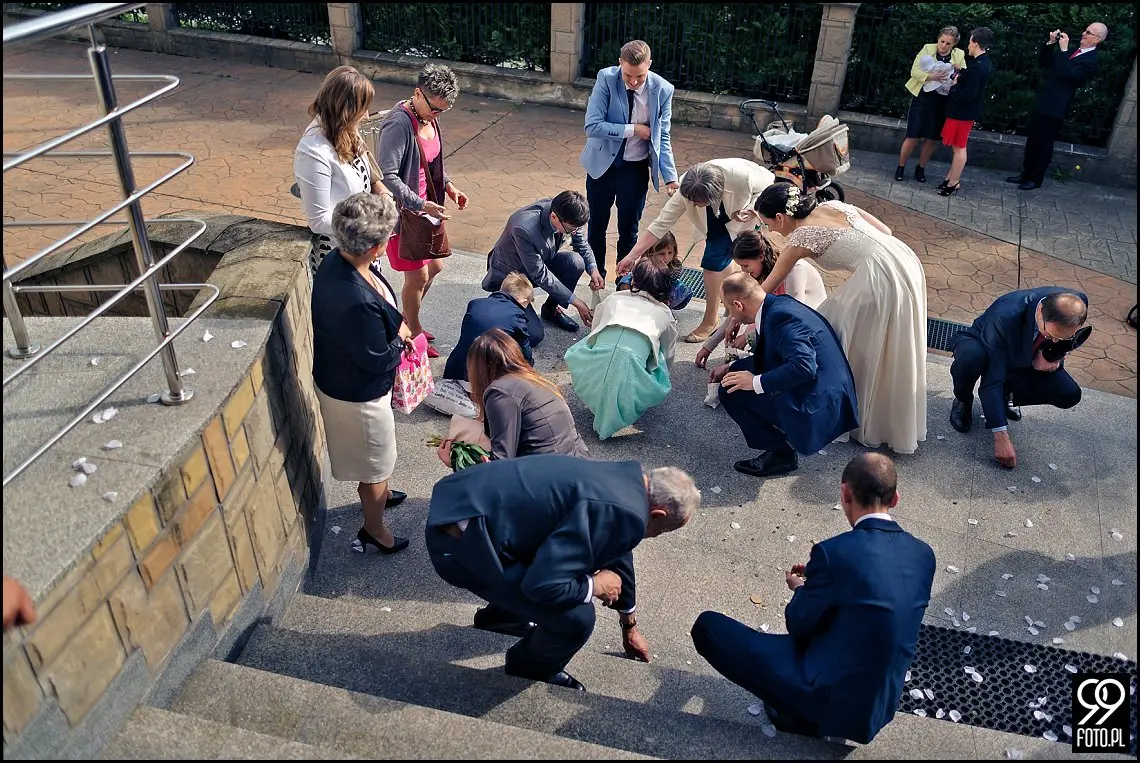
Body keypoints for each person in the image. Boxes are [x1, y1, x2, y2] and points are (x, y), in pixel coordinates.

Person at [691, 453, 935, 744]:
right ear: (895, 499)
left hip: (825, 694)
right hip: (879, 704)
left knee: (708, 627)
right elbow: (881, 598)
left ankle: (797, 710)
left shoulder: (834, 553)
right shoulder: (924, 554)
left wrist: (800, 590)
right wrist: (825, 580)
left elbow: (800, 624)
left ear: (845, 492)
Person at [425, 455, 699, 690]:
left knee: (554, 556)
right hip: (461, 546)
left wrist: (629, 624)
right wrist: (594, 585)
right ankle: (527, 668)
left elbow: (619, 551)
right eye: (662, 532)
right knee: (577, 617)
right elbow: (542, 585)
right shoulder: (625, 514)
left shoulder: (626, 482)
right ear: (659, 514)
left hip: (460, 504)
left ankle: (500, 618)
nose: (654, 536)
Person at [748, 184, 928, 455]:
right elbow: (887, 232)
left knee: (832, 329)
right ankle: (876, 409)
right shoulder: (831, 205)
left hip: (880, 276)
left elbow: (761, 292)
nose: (770, 231)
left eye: (767, 223)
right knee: (879, 335)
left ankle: (841, 409)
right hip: (904, 259)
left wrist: (737, 320)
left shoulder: (800, 240)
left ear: (781, 218)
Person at [311, 192, 414, 556]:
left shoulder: (337, 263)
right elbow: (375, 359)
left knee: (373, 461)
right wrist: (402, 342)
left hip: (345, 380)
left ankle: (379, 497)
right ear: (374, 247)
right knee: (375, 464)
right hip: (359, 394)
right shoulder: (354, 299)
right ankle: (374, 527)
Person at [710, 273, 858, 477]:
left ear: (738, 305)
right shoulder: (778, 304)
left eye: (729, 309)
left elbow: (804, 367)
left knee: (729, 390)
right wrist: (732, 367)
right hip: (828, 386)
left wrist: (754, 382)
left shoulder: (781, 320)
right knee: (734, 375)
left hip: (821, 402)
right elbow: (774, 355)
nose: (731, 315)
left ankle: (781, 455)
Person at [617, 158, 776, 342]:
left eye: (697, 202)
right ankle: (726, 302)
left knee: (712, 265)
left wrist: (752, 209)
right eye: (690, 201)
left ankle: (710, 320)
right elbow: (661, 223)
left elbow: (769, 182)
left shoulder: (742, 176)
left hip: (739, 219)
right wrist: (632, 256)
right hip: (714, 222)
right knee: (720, 261)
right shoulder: (688, 184)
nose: (693, 205)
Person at [376, 63, 469, 357]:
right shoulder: (399, 123)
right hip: (406, 215)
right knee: (418, 278)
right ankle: (412, 331)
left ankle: (409, 318)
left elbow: (433, 162)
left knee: (435, 267)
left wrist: (450, 187)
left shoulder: (430, 118)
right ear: (417, 94)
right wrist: (419, 204)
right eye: (434, 109)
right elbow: (388, 177)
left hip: (428, 210)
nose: (437, 115)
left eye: (443, 111)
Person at [949, 288, 1090, 469]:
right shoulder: (1005, 314)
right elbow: (991, 381)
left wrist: (1052, 360)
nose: (1054, 341)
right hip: (984, 345)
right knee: (972, 358)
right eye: (1050, 335)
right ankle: (963, 399)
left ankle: (1009, 395)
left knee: (1069, 393)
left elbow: (1063, 342)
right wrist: (1001, 436)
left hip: (1025, 355)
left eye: (1061, 337)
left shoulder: (1078, 303)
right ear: (1039, 311)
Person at [581, 39, 679, 281]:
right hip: (602, 165)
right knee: (596, 226)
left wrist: (671, 178)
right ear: (619, 64)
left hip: (634, 169)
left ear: (650, 65)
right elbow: (592, 126)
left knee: (629, 230)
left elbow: (662, 136)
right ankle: (597, 276)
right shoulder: (606, 78)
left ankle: (624, 281)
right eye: (628, 76)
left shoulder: (664, 90)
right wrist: (633, 129)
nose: (633, 82)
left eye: (640, 77)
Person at [436, 328, 588, 465]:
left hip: (546, 477)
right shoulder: (533, 378)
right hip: (575, 461)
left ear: (478, 370)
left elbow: (502, 462)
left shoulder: (499, 392)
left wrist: (456, 461)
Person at [565, 258, 678, 439]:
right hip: (631, 375)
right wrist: (663, 374)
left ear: (634, 281)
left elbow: (596, 329)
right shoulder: (665, 314)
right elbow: (669, 351)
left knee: (596, 341)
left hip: (593, 373)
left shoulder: (614, 298)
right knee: (659, 353)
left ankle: (598, 401)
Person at [294, 65, 387, 277]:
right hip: (339, 259)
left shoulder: (347, 130)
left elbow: (367, 172)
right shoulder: (312, 152)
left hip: (365, 249)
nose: (365, 117)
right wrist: (372, 226)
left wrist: (382, 192)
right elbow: (318, 221)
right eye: (361, 109)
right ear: (345, 111)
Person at [696, 230, 829, 370]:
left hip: (809, 323)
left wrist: (750, 334)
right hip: (784, 318)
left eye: (745, 265)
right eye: (741, 266)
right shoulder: (760, 272)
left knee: (757, 332)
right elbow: (736, 312)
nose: (744, 271)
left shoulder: (795, 269)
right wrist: (709, 347)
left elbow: (793, 315)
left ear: (760, 256)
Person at [483, 191, 604, 340]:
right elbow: (540, 275)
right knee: (533, 336)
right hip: (511, 277)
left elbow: (581, 244)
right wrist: (577, 303)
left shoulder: (567, 213)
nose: (574, 232)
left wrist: (593, 269)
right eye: (571, 230)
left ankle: (550, 310)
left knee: (575, 262)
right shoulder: (523, 228)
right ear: (554, 217)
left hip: (538, 265)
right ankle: (500, 305)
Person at [1008, 23, 1107, 191]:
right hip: (1044, 100)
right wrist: (1051, 43)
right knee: (1033, 139)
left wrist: (1062, 51)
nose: (1083, 33)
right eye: (1085, 30)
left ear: (1097, 40)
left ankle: (1035, 178)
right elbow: (1046, 63)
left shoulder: (1091, 61)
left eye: (1088, 32)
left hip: (1056, 107)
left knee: (1044, 143)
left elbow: (1067, 74)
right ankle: (1026, 173)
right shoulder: (1072, 51)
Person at [894, 26, 967, 183]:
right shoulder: (928, 48)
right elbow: (915, 71)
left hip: (942, 100)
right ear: (938, 39)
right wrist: (931, 76)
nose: (943, 46)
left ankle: (921, 168)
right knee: (913, 135)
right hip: (922, 97)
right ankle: (901, 166)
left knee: (932, 137)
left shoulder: (959, 54)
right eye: (942, 41)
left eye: (948, 43)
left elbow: (963, 75)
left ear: (954, 44)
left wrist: (955, 71)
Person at [936, 27, 994, 196]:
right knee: (957, 147)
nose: (968, 45)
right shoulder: (983, 62)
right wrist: (960, 75)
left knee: (959, 148)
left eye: (970, 42)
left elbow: (969, 94)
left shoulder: (978, 67)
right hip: (964, 112)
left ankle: (954, 182)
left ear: (975, 43)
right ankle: (950, 179)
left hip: (963, 113)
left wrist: (954, 87)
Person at [615, 231, 693, 311]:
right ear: (650, 252)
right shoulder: (644, 266)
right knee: (626, 280)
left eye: (670, 253)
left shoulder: (675, 267)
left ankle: (665, 309)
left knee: (682, 289)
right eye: (661, 253)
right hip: (643, 294)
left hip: (662, 296)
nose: (666, 258)